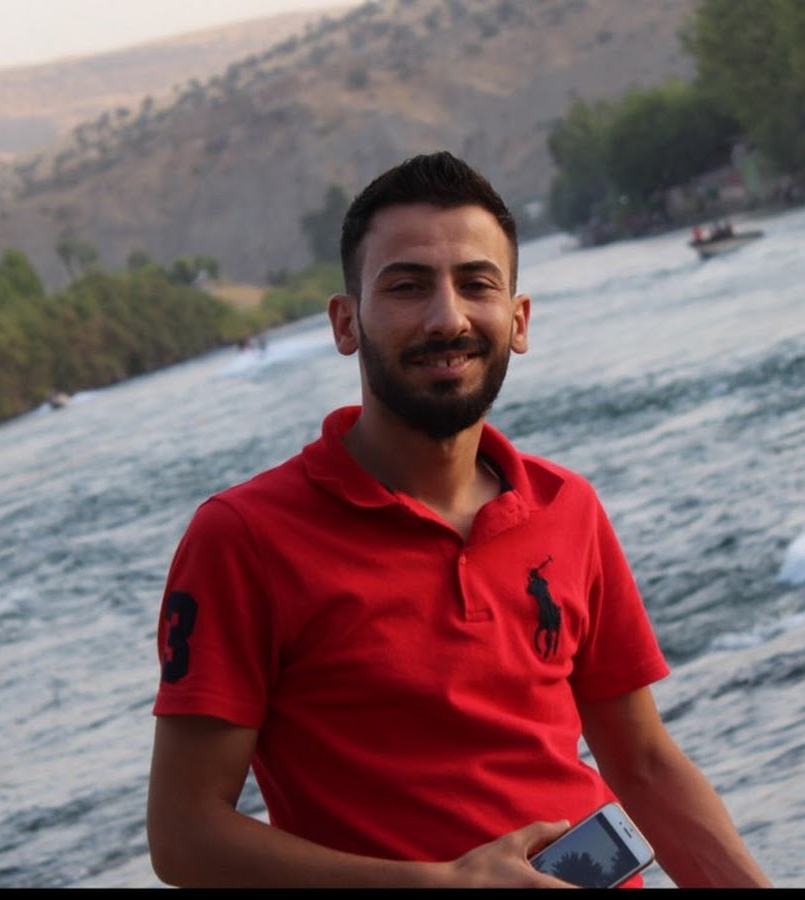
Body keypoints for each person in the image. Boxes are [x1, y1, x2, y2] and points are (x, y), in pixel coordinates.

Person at [146, 151, 772, 888]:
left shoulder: (566, 507)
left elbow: (642, 764)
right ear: (346, 323)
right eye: (407, 287)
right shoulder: (243, 538)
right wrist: (441, 886)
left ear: (518, 319)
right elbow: (184, 835)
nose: (447, 318)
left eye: (476, 284)